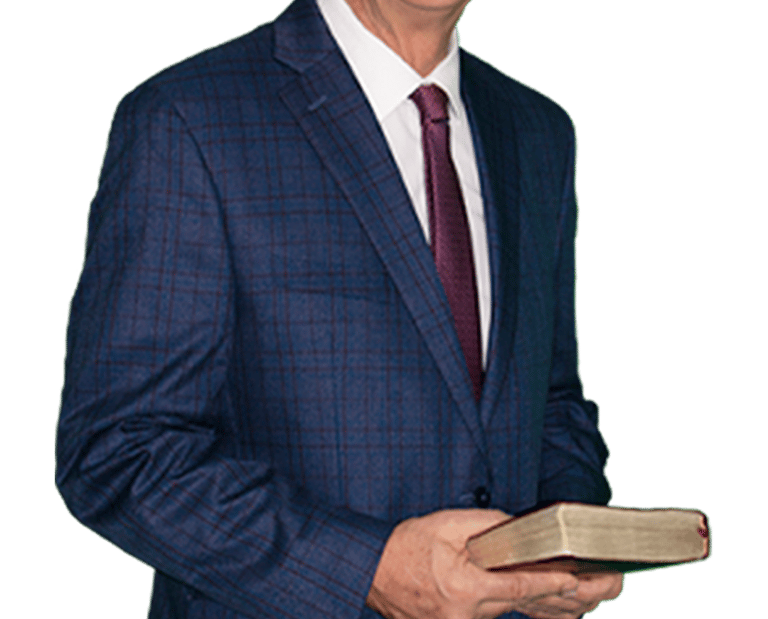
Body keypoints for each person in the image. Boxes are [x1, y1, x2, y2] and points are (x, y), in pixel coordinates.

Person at [55, 0, 624, 618]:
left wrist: (566, 543)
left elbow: (551, 401)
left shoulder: (537, 130)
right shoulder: (188, 117)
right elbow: (120, 450)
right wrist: (367, 571)